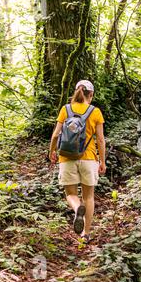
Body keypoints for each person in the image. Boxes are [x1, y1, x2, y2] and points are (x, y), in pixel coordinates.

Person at [49, 80, 106, 243]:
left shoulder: (65, 109)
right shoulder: (95, 112)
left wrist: (52, 151)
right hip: (88, 159)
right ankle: (85, 234)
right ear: (91, 95)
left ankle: (76, 208)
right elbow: (100, 140)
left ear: (76, 92)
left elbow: (55, 135)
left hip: (67, 158)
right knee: (89, 197)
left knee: (71, 194)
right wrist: (102, 161)